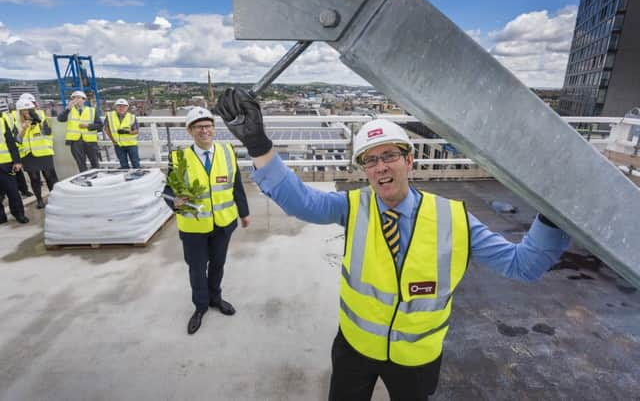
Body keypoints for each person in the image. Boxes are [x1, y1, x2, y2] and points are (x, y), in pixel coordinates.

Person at [215, 88, 571, 401]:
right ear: (363, 170)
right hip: (355, 349)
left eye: (389, 156)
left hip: (416, 359)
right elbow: (300, 201)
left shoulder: (454, 219)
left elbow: (523, 265)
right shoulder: (352, 207)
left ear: (409, 160)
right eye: (370, 160)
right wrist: (258, 145)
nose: (380, 167)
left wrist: (554, 212)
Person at [163, 106, 250, 335]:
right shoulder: (178, 157)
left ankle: (215, 299)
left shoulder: (227, 152)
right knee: (197, 268)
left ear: (214, 129)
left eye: (208, 126)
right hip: (194, 226)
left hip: (223, 222)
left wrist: (244, 212)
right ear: (190, 131)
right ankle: (200, 307)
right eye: (199, 127)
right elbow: (167, 191)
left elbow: (236, 185)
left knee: (218, 264)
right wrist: (174, 202)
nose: (205, 131)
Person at [15, 99, 58, 209]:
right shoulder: (17, 122)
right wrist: (24, 129)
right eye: (23, 111)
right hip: (28, 154)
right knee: (34, 178)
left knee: (49, 176)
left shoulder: (41, 118)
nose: (26, 113)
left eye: (27, 110)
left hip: (44, 152)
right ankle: (39, 200)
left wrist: (37, 122)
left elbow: (48, 133)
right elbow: (17, 140)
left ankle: (55, 198)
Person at [56, 90, 103, 172]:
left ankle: (96, 180)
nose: (75, 100)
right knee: (81, 164)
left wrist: (88, 126)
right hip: (75, 141)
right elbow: (60, 119)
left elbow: (100, 126)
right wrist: (68, 109)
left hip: (90, 141)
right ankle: (85, 181)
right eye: (73, 98)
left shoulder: (91, 110)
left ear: (84, 100)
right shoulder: (69, 110)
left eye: (78, 98)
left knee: (95, 163)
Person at [1, 98, 34, 198]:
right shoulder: (6, 117)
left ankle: (24, 190)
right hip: (10, 145)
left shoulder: (9, 116)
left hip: (15, 144)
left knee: (18, 171)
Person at [0, 110, 29, 224]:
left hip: (6, 164)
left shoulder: (2, 121)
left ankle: (19, 214)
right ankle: (1, 217)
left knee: (13, 192)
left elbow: (11, 142)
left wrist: (17, 161)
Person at [104, 98, 140, 169]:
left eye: (124, 106)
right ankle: (127, 179)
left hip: (131, 144)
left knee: (136, 164)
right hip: (118, 144)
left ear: (127, 107)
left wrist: (128, 132)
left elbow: (137, 130)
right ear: (115, 107)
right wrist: (113, 141)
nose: (121, 108)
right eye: (119, 106)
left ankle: (138, 178)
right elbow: (106, 129)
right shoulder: (110, 116)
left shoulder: (131, 117)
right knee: (124, 165)